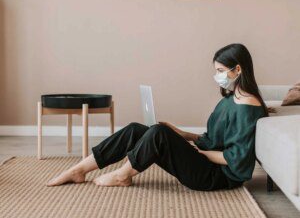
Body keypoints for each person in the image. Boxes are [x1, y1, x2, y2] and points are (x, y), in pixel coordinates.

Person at [46, 43, 269, 191]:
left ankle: (123, 175)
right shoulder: (231, 99)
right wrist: (182, 134)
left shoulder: (248, 107)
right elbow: (214, 139)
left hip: (218, 177)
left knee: (159, 134)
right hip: (206, 161)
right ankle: (79, 170)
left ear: (238, 69)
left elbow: (236, 160)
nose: (217, 76)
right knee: (136, 129)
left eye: (221, 71)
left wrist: (198, 152)